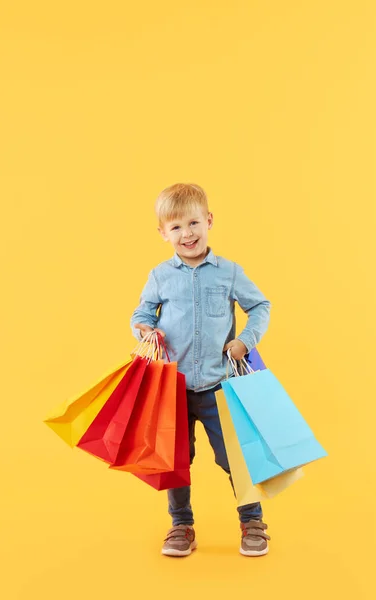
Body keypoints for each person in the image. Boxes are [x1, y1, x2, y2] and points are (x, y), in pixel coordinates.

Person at [131, 183, 271, 557]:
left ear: (209, 221)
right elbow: (141, 315)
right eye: (176, 227)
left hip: (219, 385)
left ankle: (253, 521)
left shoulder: (229, 272)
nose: (187, 233)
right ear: (163, 233)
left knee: (235, 458)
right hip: (172, 387)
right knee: (174, 460)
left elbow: (260, 307)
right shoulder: (160, 276)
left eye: (194, 223)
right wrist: (145, 330)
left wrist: (245, 340)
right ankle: (181, 526)